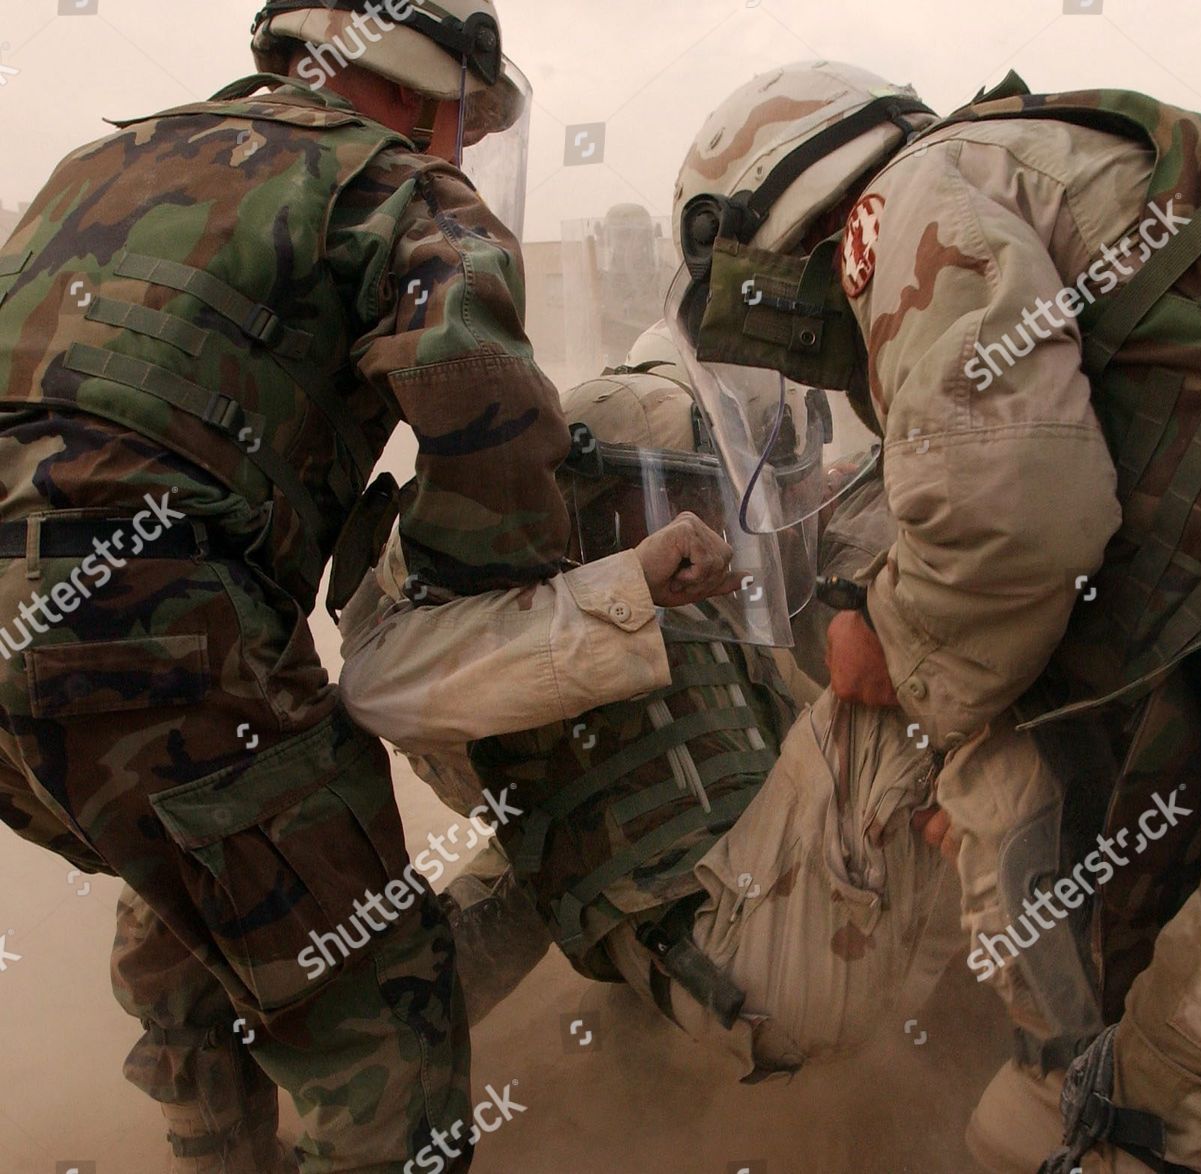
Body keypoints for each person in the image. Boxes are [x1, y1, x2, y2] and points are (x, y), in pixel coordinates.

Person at [668, 60, 1201, 1172]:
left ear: (781, 239)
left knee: (1135, 1125)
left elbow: (1011, 517)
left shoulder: (910, 198)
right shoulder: (1050, 175)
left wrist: (893, 653)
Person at [0, 3, 733, 1170]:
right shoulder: (397, 189)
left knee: (194, 883)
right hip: (162, 637)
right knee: (381, 1027)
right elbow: (486, 424)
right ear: (416, 84)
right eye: (462, 120)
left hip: (38, 667)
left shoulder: (97, 164)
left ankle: (216, 1149)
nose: (458, 146)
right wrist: (513, 603)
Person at [337, 364, 966, 1076]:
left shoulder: (676, 568)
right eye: (676, 496)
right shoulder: (491, 589)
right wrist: (627, 584)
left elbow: (824, 517)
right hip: (744, 946)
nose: (705, 521)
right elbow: (378, 682)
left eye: (707, 491)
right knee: (937, 631)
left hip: (751, 883)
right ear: (594, 504)